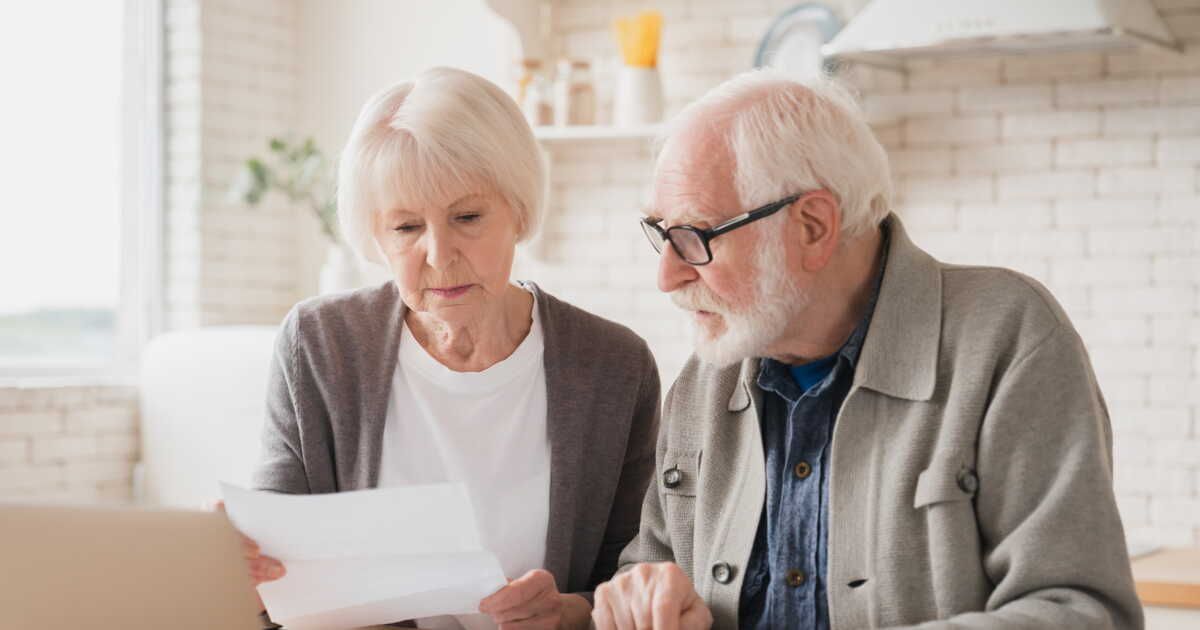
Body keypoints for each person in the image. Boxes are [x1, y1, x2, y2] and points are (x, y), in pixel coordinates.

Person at [592, 69, 1142, 629]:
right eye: (662, 233)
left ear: (812, 226)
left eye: (695, 237)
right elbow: (649, 569)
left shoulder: (1007, 337)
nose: (667, 276)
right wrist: (638, 601)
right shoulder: (704, 379)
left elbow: (1082, 612)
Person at [239, 66, 660, 630]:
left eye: (467, 217)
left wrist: (569, 614)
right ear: (375, 235)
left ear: (518, 210)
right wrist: (240, 561)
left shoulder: (615, 366)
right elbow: (272, 570)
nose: (439, 254)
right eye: (406, 227)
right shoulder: (319, 345)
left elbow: (638, 573)